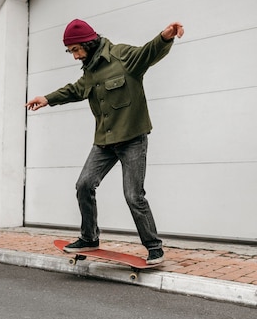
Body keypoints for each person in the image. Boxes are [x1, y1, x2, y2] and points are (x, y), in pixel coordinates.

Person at [25, 19, 184, 264]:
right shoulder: (90, 70)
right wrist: (47, 98)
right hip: (104, 142)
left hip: (132, 139)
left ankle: (154, 247)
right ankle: (89, 238)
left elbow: (148, 53)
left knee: (133, 195)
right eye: (71, 51)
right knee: (84, 185)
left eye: (76, 49)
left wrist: (165, 37)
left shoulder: (121, 56)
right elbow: (75, 90)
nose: (75, 56)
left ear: (89, 43)